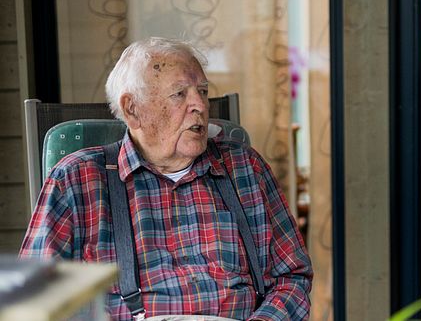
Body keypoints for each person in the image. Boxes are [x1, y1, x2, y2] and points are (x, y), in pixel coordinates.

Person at [20, 37, 312, 321]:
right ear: (133, 110)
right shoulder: (77, 180)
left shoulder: (245, 169)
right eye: (180, 94)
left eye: (203, 91)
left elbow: (292, 276)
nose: (199, 104)